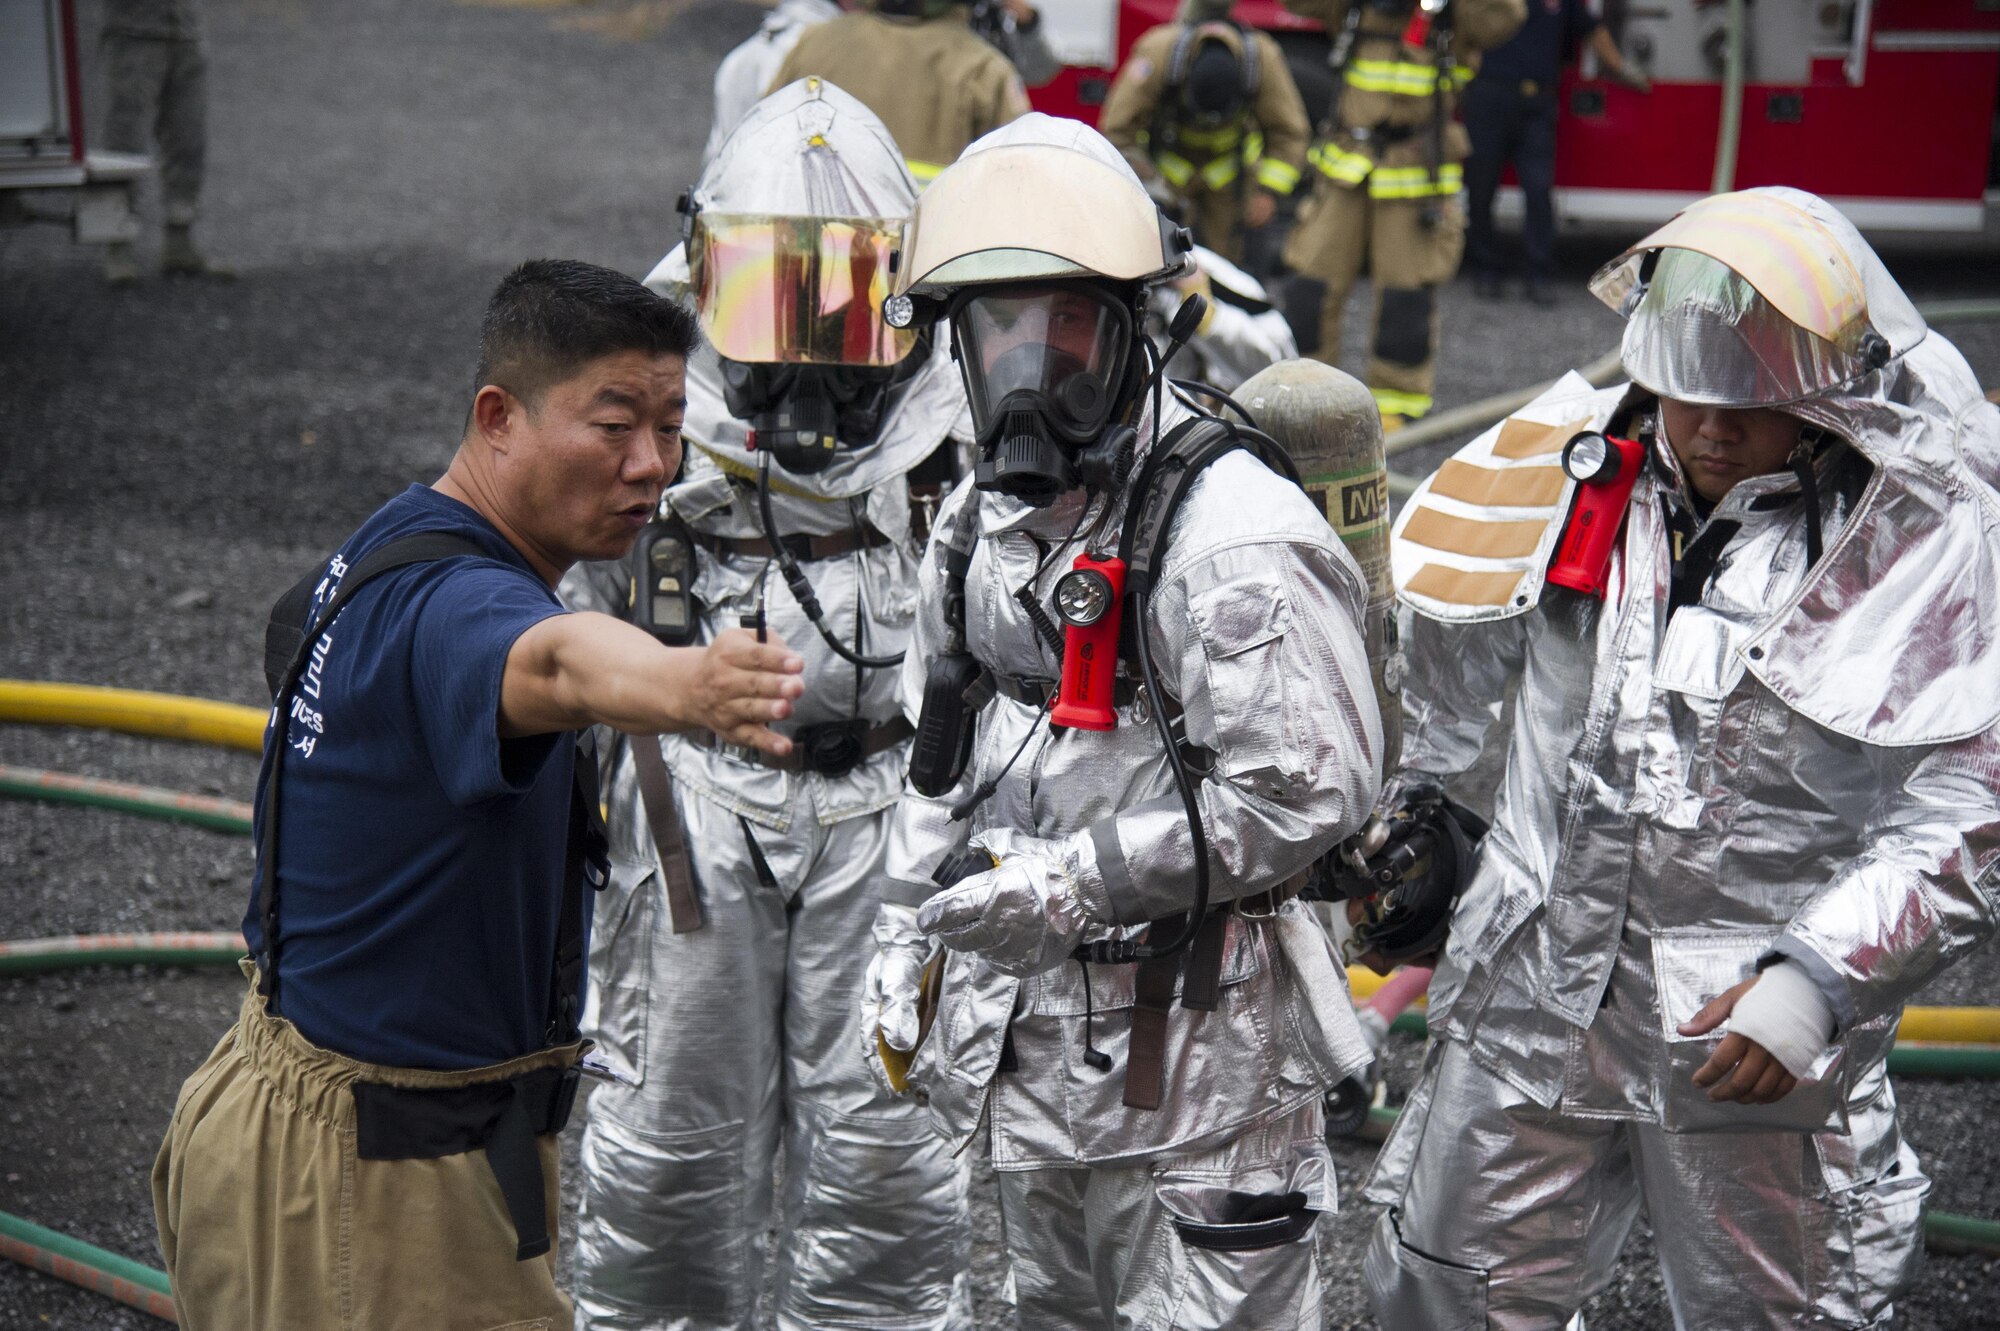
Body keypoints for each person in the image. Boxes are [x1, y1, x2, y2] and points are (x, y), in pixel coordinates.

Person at [1365, 187, 2000, 1328]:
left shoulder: (1920, 527)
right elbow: (1442, 681)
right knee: (1441, 1286)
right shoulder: (1566, 472)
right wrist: (1410, 820)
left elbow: (1969, 805)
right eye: (1686, 395)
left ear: (1819, 391)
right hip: (1528, 992)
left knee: (1781, 1310)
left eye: (1746, 406)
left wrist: (1819, 974)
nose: (1708, 430)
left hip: (1745, 1031)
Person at [150, 260, 807, 1331]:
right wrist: (684, 682)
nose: (651, 465)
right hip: (379, 1190)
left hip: (290, 1116)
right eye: (612, 425)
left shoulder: (398, 537)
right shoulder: (461, 610)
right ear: (497, 418)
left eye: (671, 425)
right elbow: (552, 662)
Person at [865, 113, 1384, 1328]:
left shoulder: (1231, 535)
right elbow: (941, 741)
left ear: (1133, 332)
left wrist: (1071, 882)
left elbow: (1299, 789)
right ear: (954, 344)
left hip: (1207, 1065)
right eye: (1001, 333)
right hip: (1037, 1056)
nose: (1030, 371)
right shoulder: (976, 525)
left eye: (1070, 329)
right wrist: (899, 926)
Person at [565, 80, 975, 1331]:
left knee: (889, 1155)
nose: (803, 351)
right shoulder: (638, 397)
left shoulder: (963, 404)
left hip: (892, 811)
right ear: (705, 277)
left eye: (841, 303)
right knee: (668, 1144)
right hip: (692, 806)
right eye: (764, 301)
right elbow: (532, 583)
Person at [1280, 0, 1525, 429]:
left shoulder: (1454, 15)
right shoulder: (1354, 9)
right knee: (1310, 283)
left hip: (1415, 177)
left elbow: (1507, 16)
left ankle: (1396, 404)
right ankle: (1304, 394)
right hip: (1347, 166)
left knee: (1404, 296)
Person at [1097, 0, 1311, 267]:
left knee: (1226, 267)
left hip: (1230, 182)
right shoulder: (1157, 54)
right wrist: (1150, 184)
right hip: (1165, 178)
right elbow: (1117, 131)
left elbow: (1289, 133)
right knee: (1159, 261)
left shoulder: (1262, 60)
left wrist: (1268, 193)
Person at [1463, 0, 1649, 304]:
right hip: (1488, 98)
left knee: (1538, 193)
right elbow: (1462, 26)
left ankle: (1538, 274)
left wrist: (1621, 67)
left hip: (1537, 105)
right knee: (1481, 190)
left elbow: (1591, 28)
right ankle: (1485, 270)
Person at [769, 0, 1031, 187]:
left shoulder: (814, 43)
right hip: (926, 255)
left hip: (820, 252)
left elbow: (762, 144)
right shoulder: (982, 69)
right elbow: (1020, 184)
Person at [98, 0, 227, 282]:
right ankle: (117, 246)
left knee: (189, 139)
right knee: (124, 144)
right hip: (133, 31)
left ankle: (180, 240)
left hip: (186, 30)